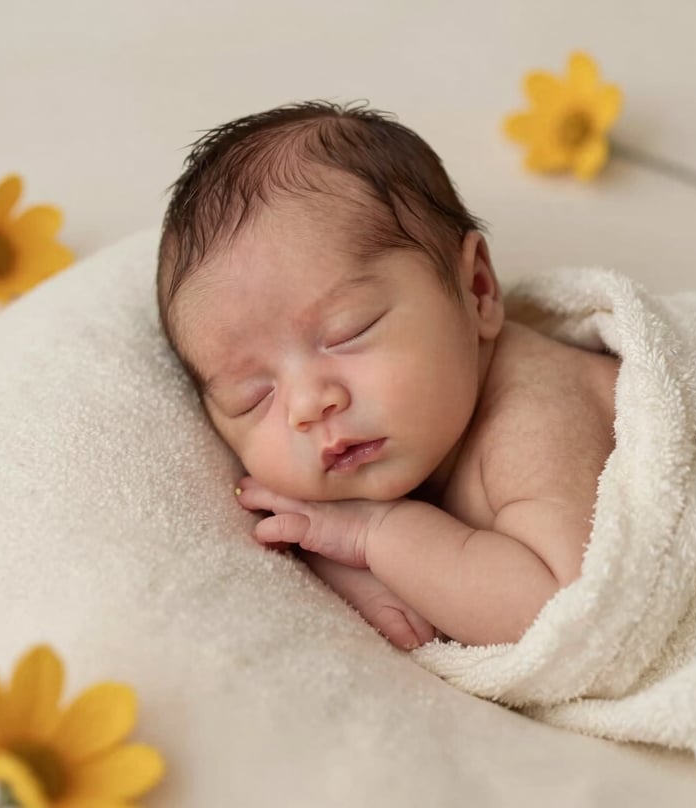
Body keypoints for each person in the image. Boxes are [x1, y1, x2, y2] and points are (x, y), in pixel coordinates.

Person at [156, 101, 618, 651]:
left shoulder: (537, 414)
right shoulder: (403, 446)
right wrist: (341, 561)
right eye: (254, 397)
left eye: (348, 332)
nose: (308, 405)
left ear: (477, 291)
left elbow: (561, 614)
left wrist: (374, 537)